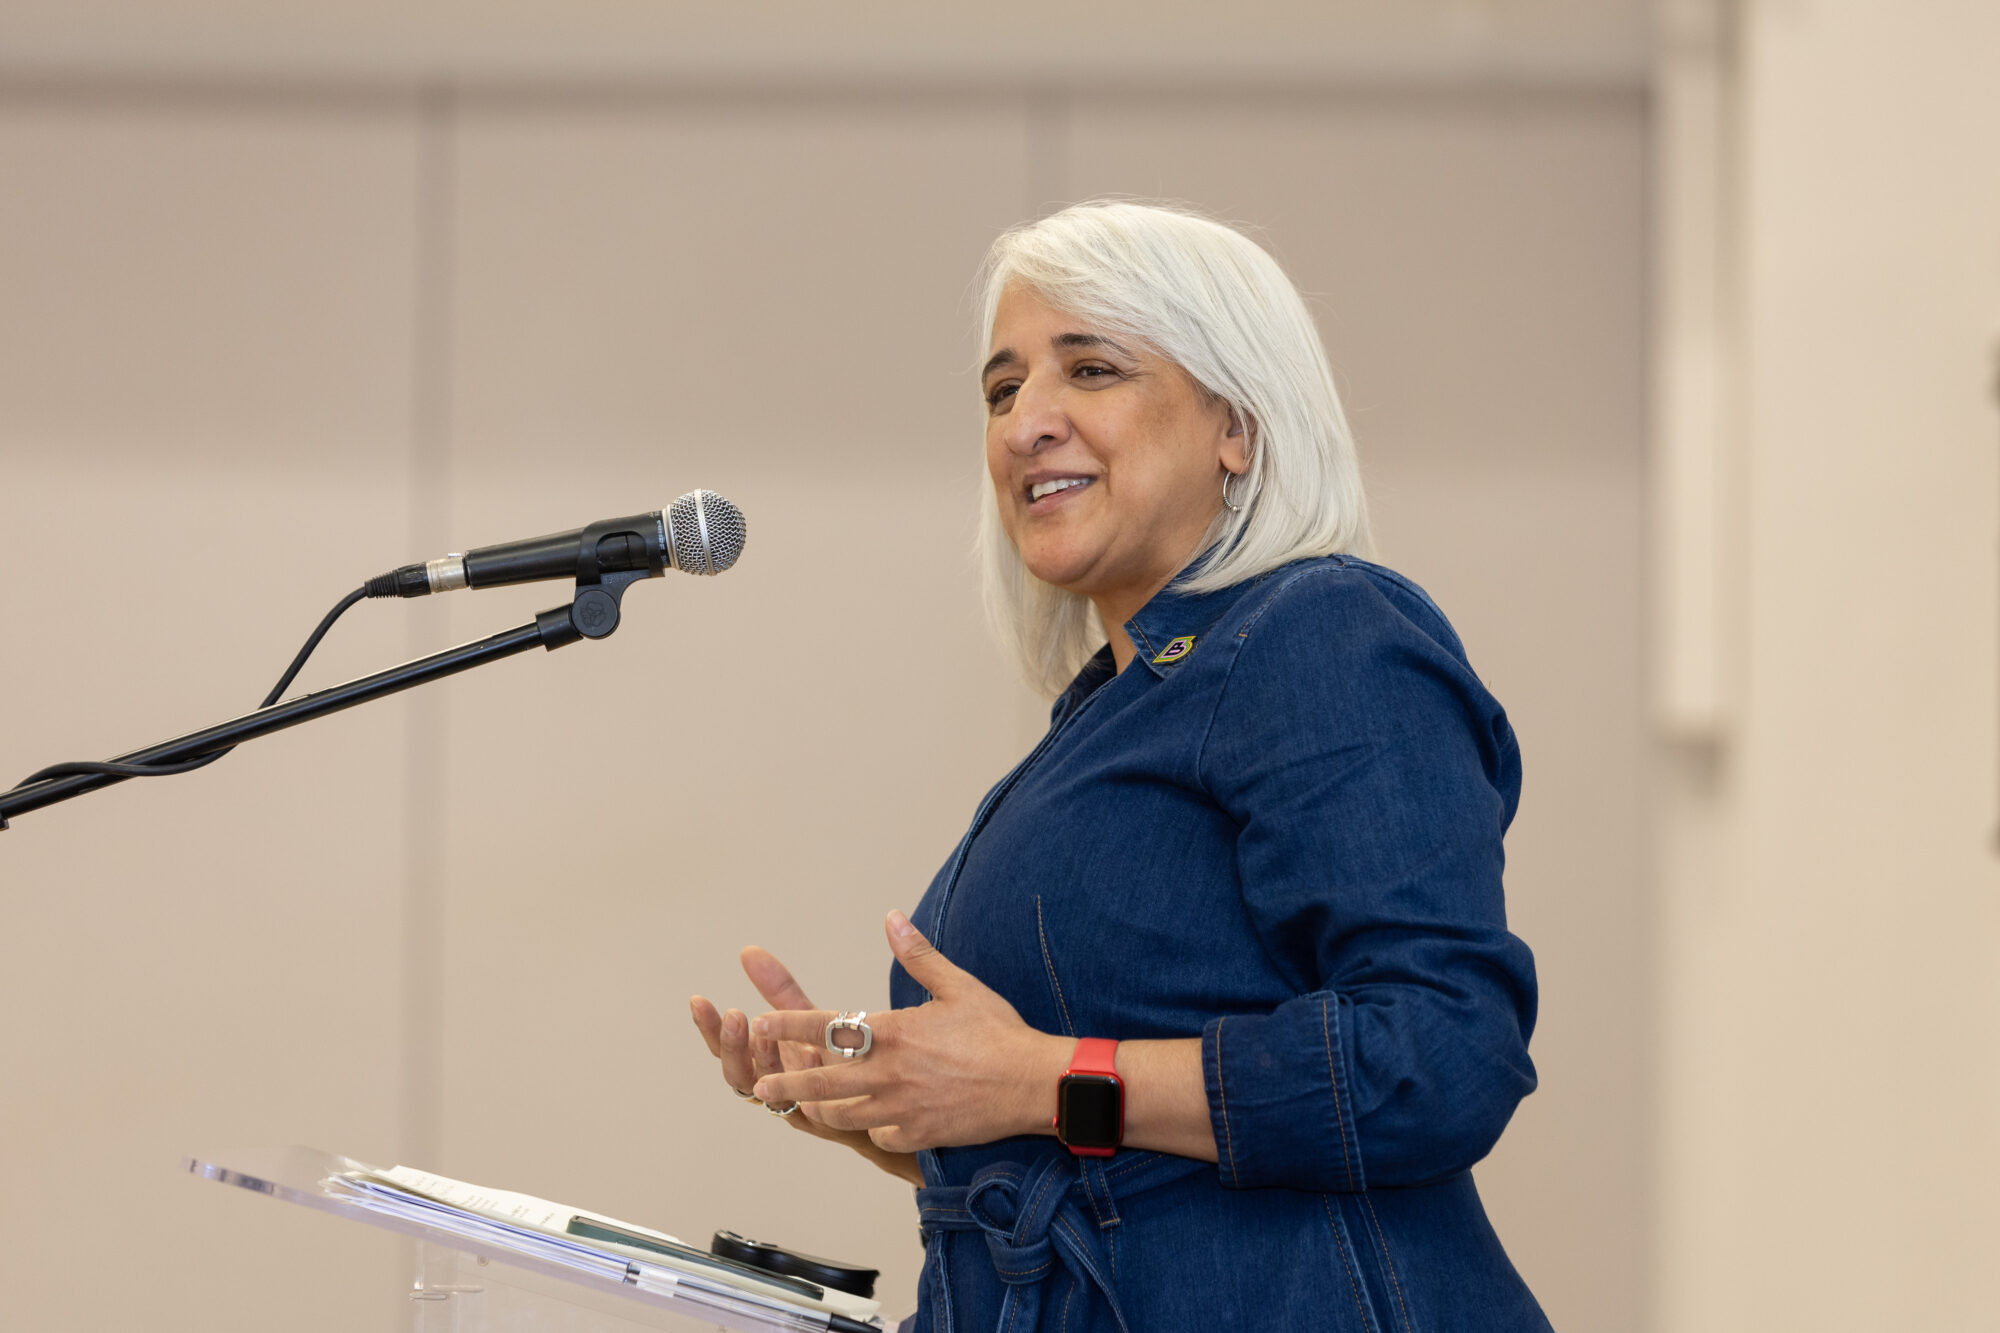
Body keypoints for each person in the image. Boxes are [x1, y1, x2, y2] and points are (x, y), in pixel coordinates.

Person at [690, 200, 1548, 1332]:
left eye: (1089, 369)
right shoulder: (1112, 708)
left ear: (1238, 425)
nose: (1024, 424)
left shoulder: (1320, 631)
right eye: (1002, 390)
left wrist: (1033, 1077)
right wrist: (896, 1101)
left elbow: (1438, 1055)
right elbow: (1122, 1166)